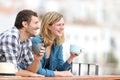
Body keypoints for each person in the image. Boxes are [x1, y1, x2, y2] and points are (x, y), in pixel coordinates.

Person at [31, 11, 79, 77]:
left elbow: (60, 69)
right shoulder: (36, 41)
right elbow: (37, 71)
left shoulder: (57, 44)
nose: (62, 28)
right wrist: (59, 73)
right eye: (59, 25)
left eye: (63, 24)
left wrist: (71, 57)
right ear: (48, 26)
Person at [0, 9, 45, 77]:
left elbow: (32, 70)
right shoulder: (11, 37)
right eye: (36, 23)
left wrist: (37, 59)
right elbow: (11, 71)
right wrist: (32, 75)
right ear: (25, 24)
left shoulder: (27, 40)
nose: (38, 27)